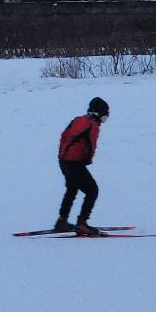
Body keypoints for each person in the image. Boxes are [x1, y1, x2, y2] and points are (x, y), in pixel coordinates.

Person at [55, 97, 109, 236]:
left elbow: (64, 136)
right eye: (104, 117)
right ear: (97, 114)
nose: (103, 121)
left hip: (63, 161)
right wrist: (87, 160)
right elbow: (91, 145)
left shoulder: (78, 119)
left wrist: (63, 155)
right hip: (74, 163)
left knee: (72, 188)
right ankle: (82, 223)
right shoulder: (92, 125)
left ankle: (62, 221)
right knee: (92, 190)